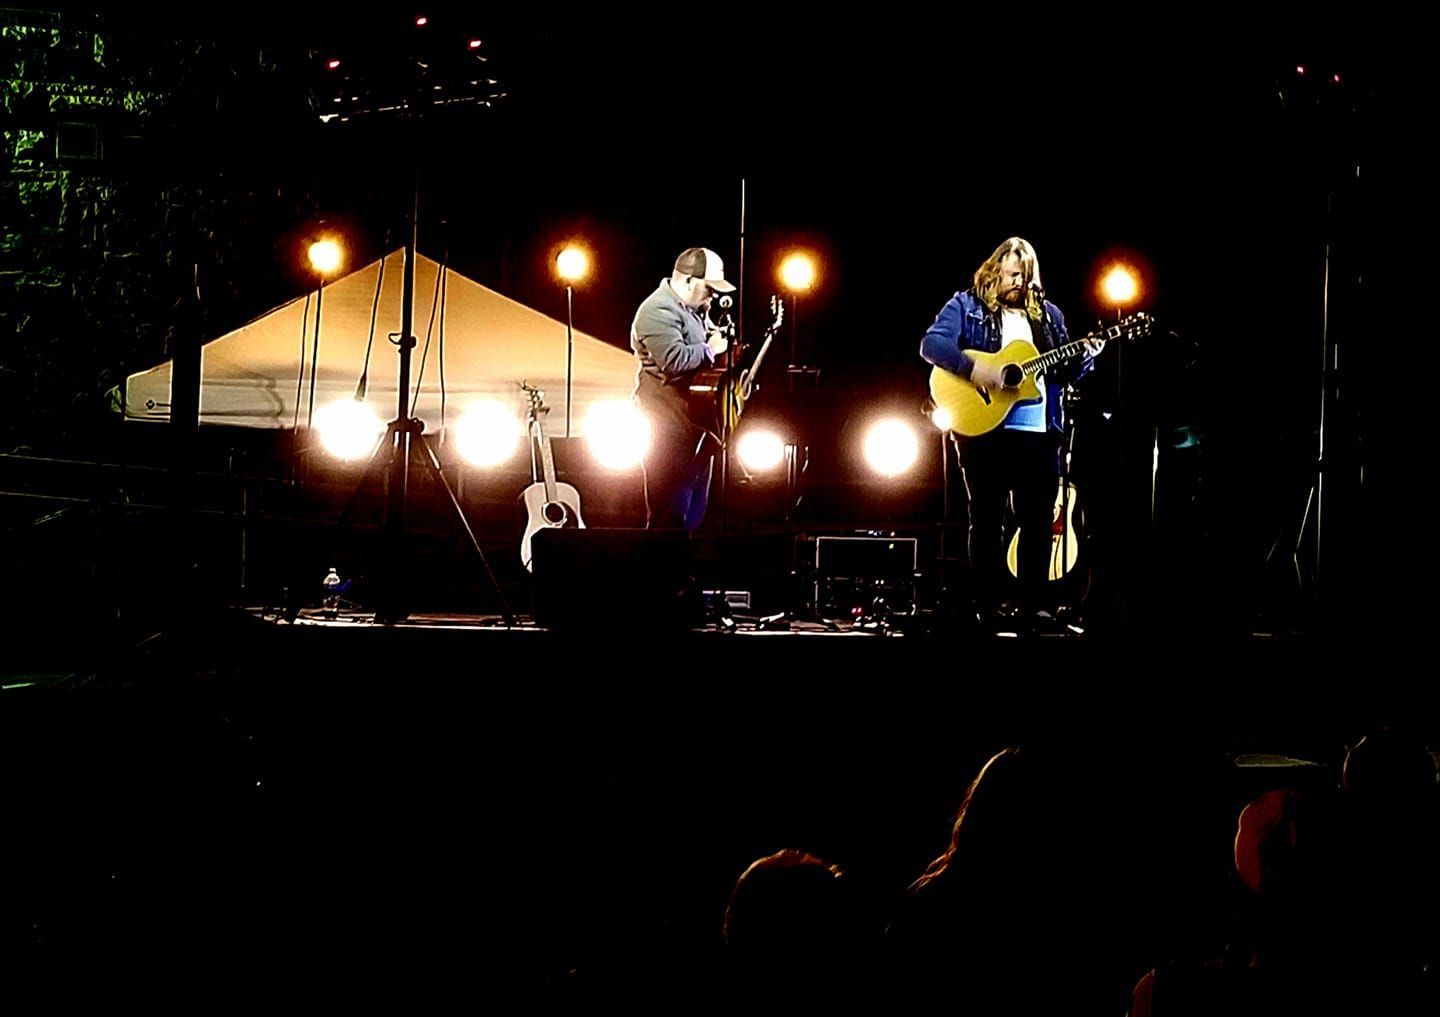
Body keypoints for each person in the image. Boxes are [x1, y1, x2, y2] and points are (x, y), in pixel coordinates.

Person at [920, 236, 1103, 629]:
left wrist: (1086, 355)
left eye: (1027, 276)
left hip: (1039, 433)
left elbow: (1063, 370)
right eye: (1013, 274)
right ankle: (986, 604)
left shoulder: (1049, 316)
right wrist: (976, 370)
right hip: (983, 430)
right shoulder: (966, 305)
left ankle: (1032, 607)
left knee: (1037, 521)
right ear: (995, 271)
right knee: (986, 519)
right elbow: (932, 344)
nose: (1020, 282)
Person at [630, 247, 735, 532]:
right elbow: (673, 361)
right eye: (708, 288)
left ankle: (680, 568)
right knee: (669, 510)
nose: (713, 295)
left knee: (692, 512)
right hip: (665, 424)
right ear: (688, 280)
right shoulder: (656, 310)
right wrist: (710, 349)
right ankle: (661, 571)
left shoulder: (692, 309)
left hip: (691, 423)